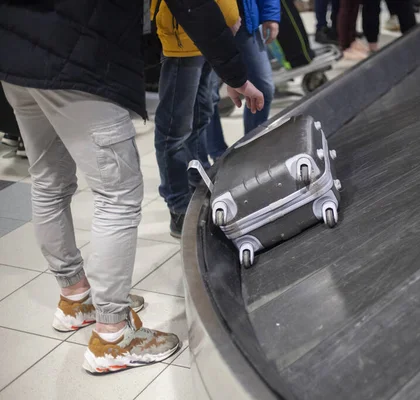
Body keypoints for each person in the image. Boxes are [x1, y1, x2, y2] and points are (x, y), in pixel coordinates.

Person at [0, 0, 263, 375]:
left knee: (49, 181)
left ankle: (75, 298)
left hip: (15, 53)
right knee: (117, 195)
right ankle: (113, 336)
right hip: (80, 59)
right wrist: (235, 73)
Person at [152, 0, 244, 238]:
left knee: (203, 113)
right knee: (175, 128)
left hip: (212, 36)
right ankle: (178, 205)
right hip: (182, 39)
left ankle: (196, 182)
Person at [207, 0, 281, 142]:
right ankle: (217, 155)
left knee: (263, 87)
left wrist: (270, 14)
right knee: (207, 98)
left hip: (244, 20)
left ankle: (251, 144)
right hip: (205, 25)